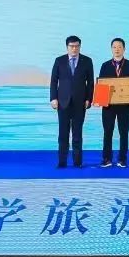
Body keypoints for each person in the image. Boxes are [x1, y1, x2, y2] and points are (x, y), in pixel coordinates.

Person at [49, 35, 94, 168]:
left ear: (80, 46)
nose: (74, 49)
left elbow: (90, 82)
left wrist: (89, 99)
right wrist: (53, 98)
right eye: (72, 46)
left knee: (77, 134)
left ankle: (77, 162)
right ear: (67, 47)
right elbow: (53, 81)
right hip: (62, 102)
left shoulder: (87, 61)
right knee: (63, 134)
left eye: (77, 46)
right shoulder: (59, 61)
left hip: (80, 103)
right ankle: (62, 162)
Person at [99, 37, 129, 168]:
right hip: (108, 106)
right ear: (111, 49)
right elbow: (101, 86)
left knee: (124, 133)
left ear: (124, 49)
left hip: (124, 106)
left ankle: (122, 159)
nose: (117, 49)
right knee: (107, 132)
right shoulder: (105, 65)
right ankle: (106, 159)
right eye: (114, 47)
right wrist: (100, 100)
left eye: (119, 47)